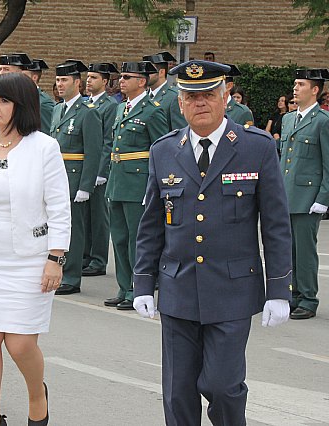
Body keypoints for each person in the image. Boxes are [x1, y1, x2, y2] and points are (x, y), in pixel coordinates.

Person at [132, 60, 292, 426]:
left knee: (223, 386)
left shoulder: (256, 147)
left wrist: (280, 289)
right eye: (191, 96)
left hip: (232, 290)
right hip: (178, 288)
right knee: (177, 391)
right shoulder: (163, 150)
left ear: (226, 98)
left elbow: (276, 225)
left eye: (208, 94)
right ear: (180, 102)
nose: (199, 102)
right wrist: (143, 282)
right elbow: (152, 225)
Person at [0, 72, 70, 426]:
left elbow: (59, 207)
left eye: (3, 101)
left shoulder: (44, 148)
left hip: (30, 260)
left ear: (22, 106)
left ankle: (38, 394)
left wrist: (55, 258)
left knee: (19, 345)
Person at [104, 61, 169, 309]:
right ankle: (123, 287)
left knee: (136, 239)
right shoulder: (121, 108)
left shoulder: (153, 111)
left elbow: (160, 151)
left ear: (141, 81)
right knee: (119, 238)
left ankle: (138, 288)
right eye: (121, 77)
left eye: (127, 77)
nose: (121, 81)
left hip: (139, 183)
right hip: (118, 181)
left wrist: (155, 187)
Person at [280, 68, 329, 320]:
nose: (295, 88)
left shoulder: (323, 121)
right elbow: (283, 161)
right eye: (295, 83)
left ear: (315, 90)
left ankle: (309, 299)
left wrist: (323, 199)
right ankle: (294, 294)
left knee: (305, 251)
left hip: (308, 198)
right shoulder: (289, 119)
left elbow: (327, 164)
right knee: (288, 251)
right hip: (287, 195)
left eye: (300, 84)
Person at [49, 60, 101, 295]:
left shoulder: (88, 112)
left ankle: (71, 276)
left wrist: (86, 185)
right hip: (56, 176)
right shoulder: (58, 109)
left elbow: (93, 150)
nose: (60, 84)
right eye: (58, 80)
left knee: (74, 229)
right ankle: (59, 271)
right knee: (57, 226)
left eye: (64, 80)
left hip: (74, 177)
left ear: (77, 83)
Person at [81, 62, 118, 277]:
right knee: (85, 216)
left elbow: (107, 141)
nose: (89, 81)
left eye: (94, 77)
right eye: (87, 77)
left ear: (105, 81)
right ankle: (86, 255)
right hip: (86, 168)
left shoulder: (109, 105)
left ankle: (98, 259)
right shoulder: (87, 104)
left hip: (99, 170)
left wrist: (101, 171)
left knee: (99, 216)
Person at [143, 51, 184, 130]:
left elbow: (179, 131)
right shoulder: (144, 95)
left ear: (161, 72)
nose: (145, 76)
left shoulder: (173, 97)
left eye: (149, 72)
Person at [22, 58, 56, 133]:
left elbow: (48, 131)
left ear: (34, 78)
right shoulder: (22, 97)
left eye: (23, 75)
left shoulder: (42, 103)